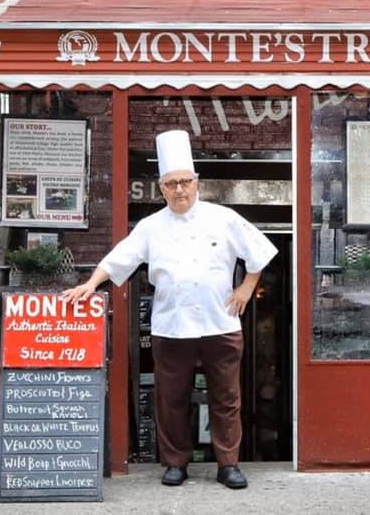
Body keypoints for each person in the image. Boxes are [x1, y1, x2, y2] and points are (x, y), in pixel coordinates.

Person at [61, 130, 277, 489]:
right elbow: (120, 259)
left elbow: (259, 252)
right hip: (170, 327)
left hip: (219, 323)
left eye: (185, 182)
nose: (179, 190)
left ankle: (228, 464)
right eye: (171, 183)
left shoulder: (222, 218)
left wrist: (245, 287)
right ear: (161, 188)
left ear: (197, 183)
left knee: (226, 398)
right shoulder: (151, 227)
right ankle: (175, 462)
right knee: (170, 400)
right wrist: (90, 284)